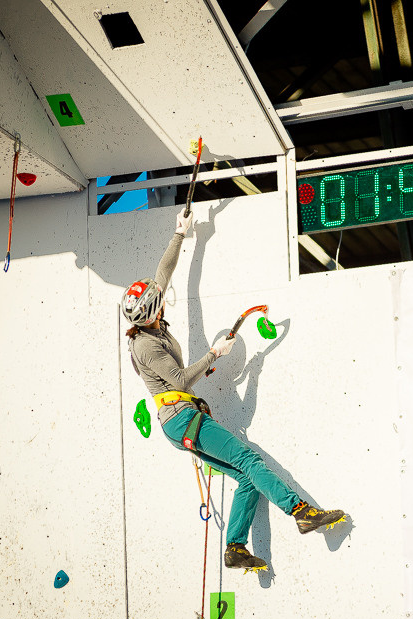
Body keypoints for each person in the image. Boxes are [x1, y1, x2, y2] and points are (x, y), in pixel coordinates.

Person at [121, 207, 346, 572]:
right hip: (181, 420)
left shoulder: (150, 322)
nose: (162, 298)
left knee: (245, 477)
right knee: (250, 461)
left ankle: (236, 546)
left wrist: (181, 233)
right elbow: (179, 381)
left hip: (181, 422)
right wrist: (214, 353)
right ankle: (301, 511)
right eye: (157, 301)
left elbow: (164, 272)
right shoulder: (146, 345)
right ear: (150, 313)